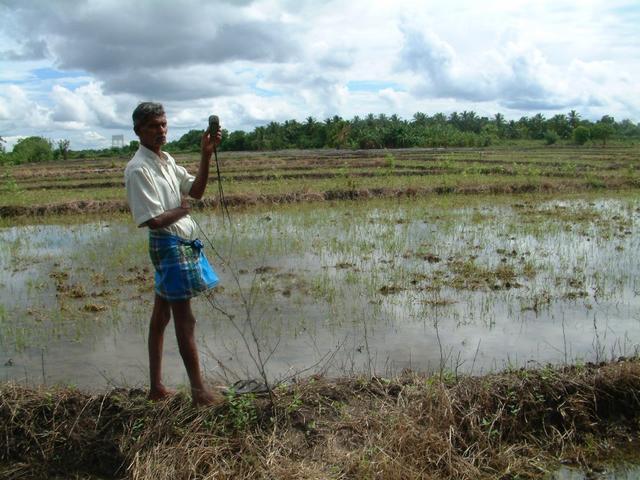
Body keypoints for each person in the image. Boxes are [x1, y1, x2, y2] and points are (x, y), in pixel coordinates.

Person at [124, 102, 222, 406]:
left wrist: (205, 155)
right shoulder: (139, 168)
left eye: (164, 124)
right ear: (139, 130)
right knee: (185, 318)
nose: (161, 131)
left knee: (161, 316)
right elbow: (151, 220)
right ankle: (199, 392)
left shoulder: (165, 160)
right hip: (169, 244)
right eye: (154, 126)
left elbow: (196, 190)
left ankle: (156, 388)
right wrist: (181, 210)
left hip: (179, 242)